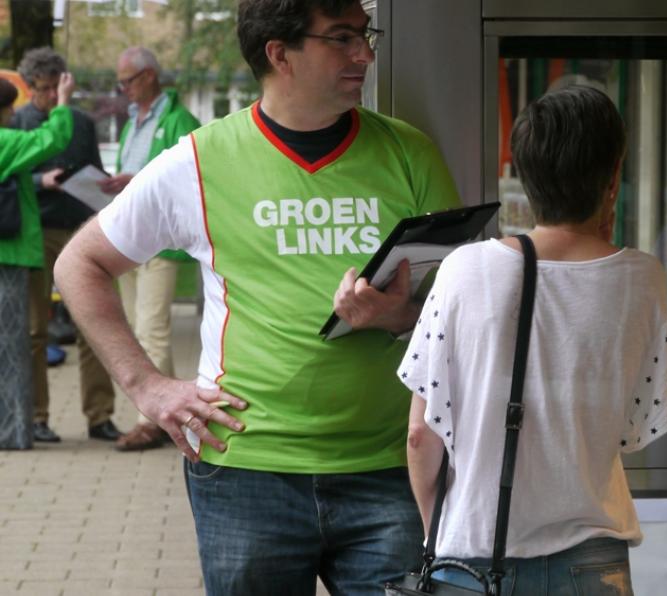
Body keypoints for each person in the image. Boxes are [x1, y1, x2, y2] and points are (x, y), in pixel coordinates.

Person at [54, 0, 461, 592]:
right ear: (279, 53)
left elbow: (464, 302)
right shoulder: (199, 160)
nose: (365, 54)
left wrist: (401, 316)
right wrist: (148, 388)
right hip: (246, 472)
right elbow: (79, 263)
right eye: (342, 38)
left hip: (391, 469)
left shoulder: (409, 153)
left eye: (365, 35)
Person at [402, 85, 667, 595]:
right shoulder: (643, 278)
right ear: (613, 178)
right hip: (594, 559)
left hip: (473, 557)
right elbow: (633, 425)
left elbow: (422, 437)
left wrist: (434, 536)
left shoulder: (465, 269)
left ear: (524, 180)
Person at [10, 47, 121, 444]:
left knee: (95, 326)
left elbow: (94, 167)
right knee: (37, 331)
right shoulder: (18, 121)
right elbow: (11, 176)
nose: (48, 97)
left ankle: (100, 415)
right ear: (30, 88)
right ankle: (38, 415)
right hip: (37, 232)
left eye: (54, 88)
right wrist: (43, 181)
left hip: (80, 230)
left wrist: (103, 183)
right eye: (41, 90)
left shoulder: (80, 121)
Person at [93, 46, 201, 452]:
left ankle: (149, 423)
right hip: (130, 242)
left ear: (151, 75)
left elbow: (187, 178)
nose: (123, 89)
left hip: (162, 243)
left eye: (128, 80)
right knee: (139, 329)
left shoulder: (178, 119)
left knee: (153, 327)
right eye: (119, 82)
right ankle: (169, 413)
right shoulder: (131, 122)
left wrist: (133, 180)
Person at [0, 72, 75, 449]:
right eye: (9, 108)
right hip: (8, 256)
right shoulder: (4, 141)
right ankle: (13, 431)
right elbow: (52, 140)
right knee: (13, 346)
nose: (13, 115)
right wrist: (63, 101)